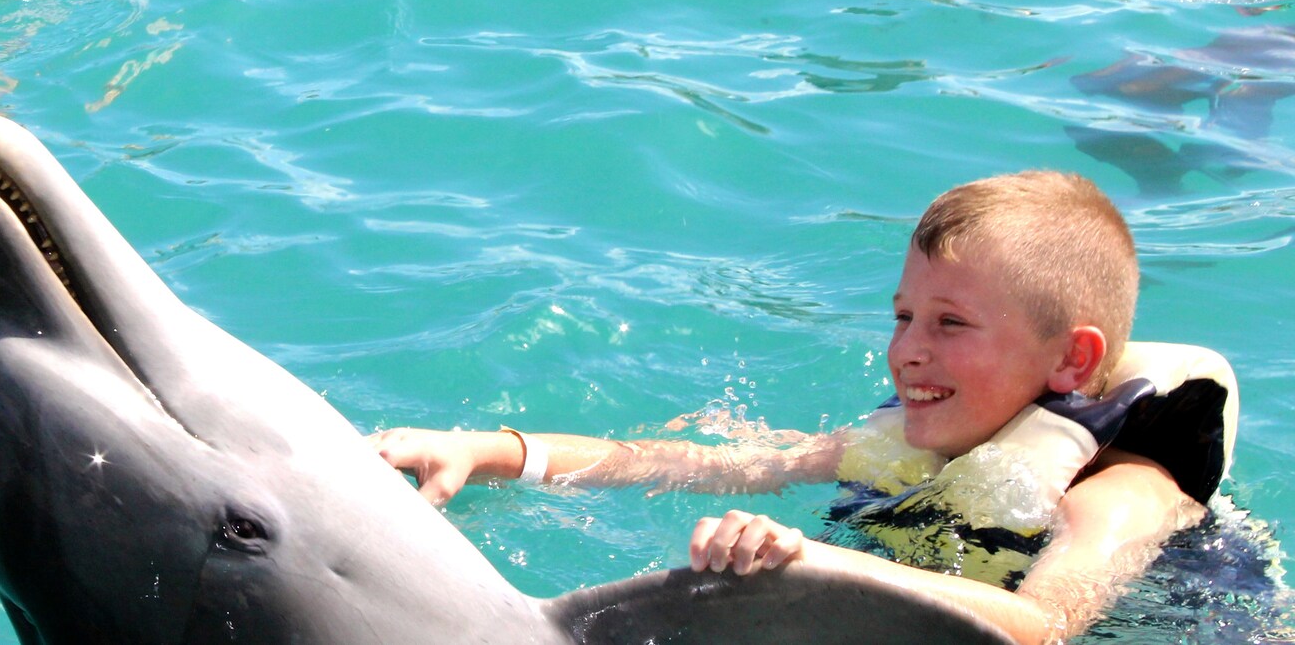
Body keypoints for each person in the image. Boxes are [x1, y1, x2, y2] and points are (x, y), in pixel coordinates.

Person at [371, 171, 1237, 645]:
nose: (907, 350)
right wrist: (491, 449)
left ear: (1073, 360)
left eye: (951, 324)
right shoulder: (899, 440)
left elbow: (1047, 627)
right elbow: (696, 465)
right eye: (903, 316)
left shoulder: (1122, 492)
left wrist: (821, 564)